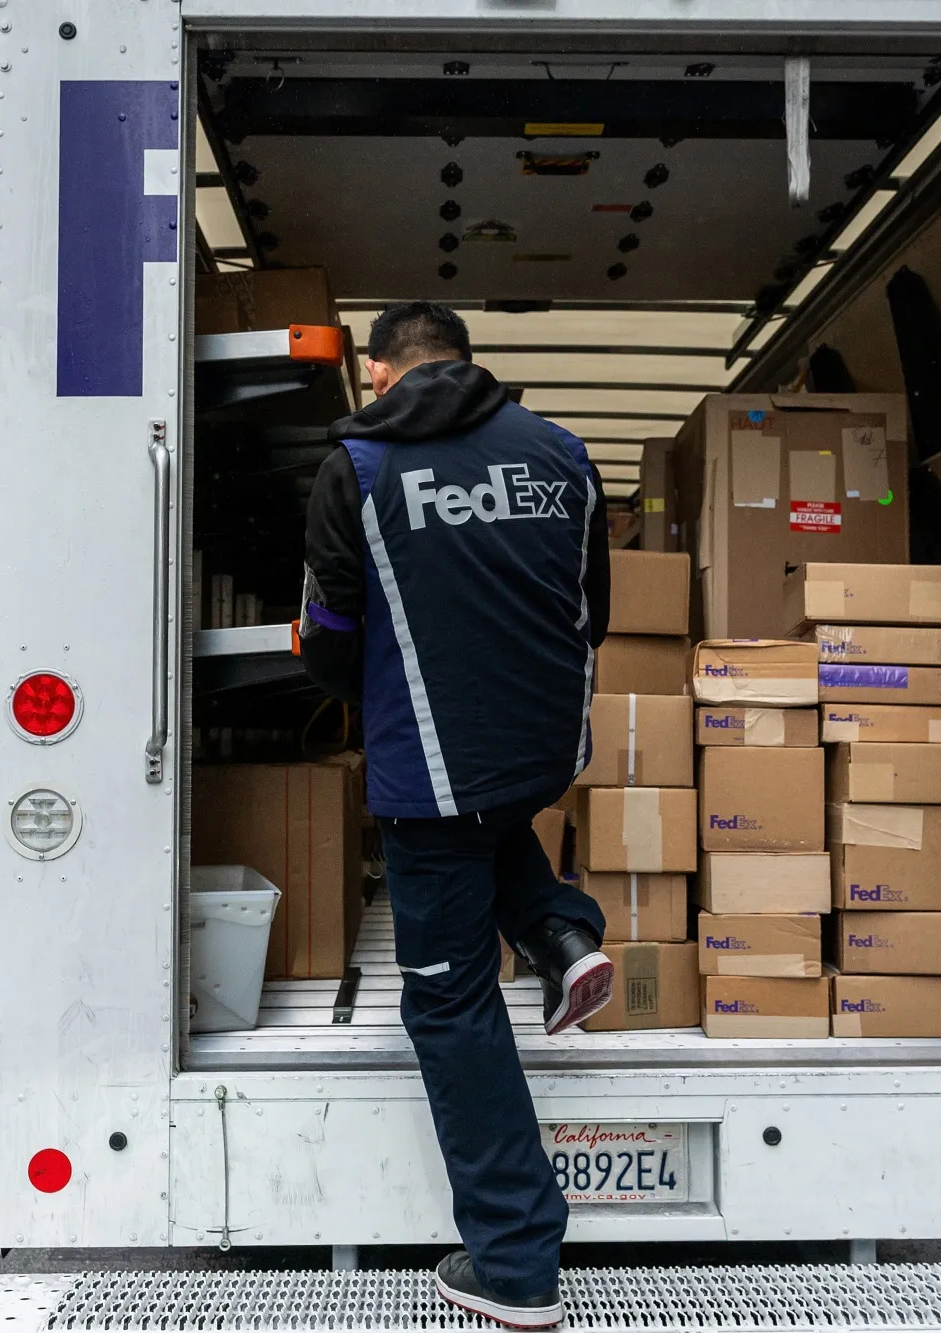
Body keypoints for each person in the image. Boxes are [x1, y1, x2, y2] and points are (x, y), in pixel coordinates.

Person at [300, 301, 613, 1328]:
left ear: (383, 373)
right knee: (489, 822)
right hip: (535, 751)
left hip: (430, 767)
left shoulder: (357, 463)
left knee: (448, 1005)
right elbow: (590, 607)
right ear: (468, 365)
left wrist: (370, 697)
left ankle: (515, 1258)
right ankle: (560, 928)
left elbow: (330, 632)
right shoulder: (561, 453)